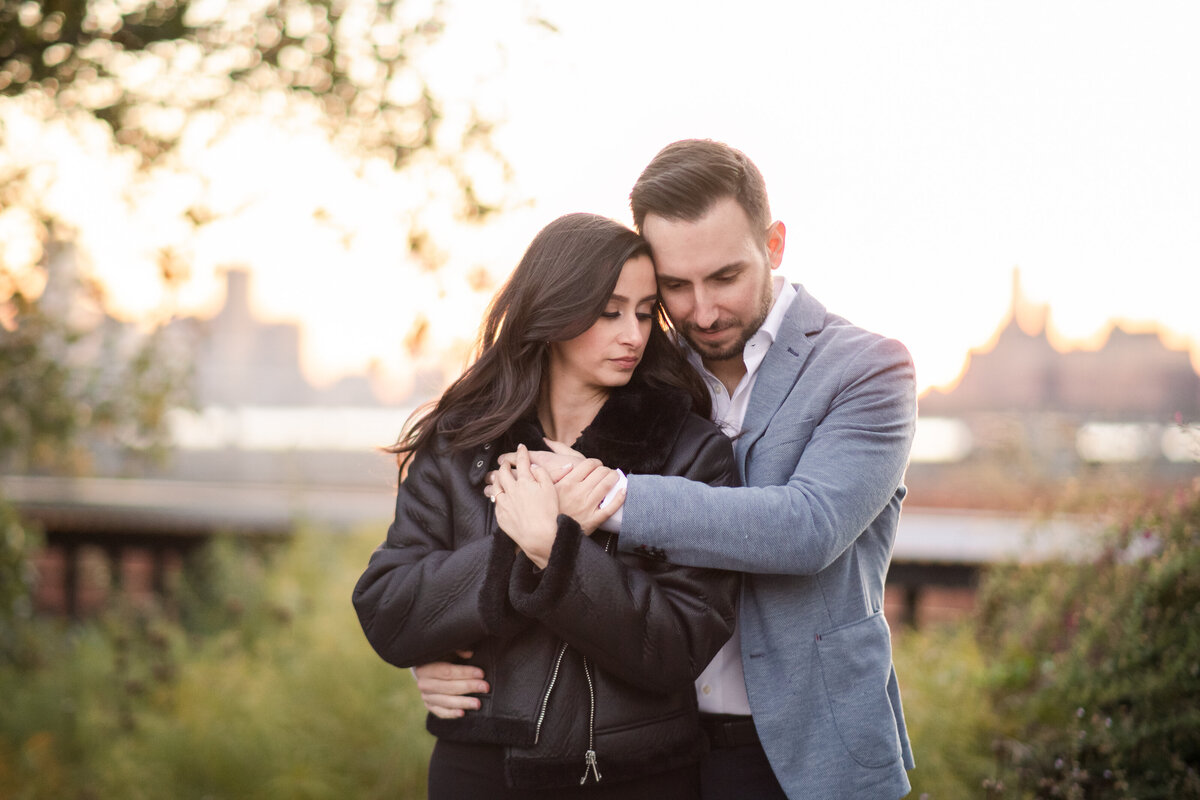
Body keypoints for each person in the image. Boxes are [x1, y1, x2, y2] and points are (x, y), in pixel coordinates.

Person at [416, 140, 918, 800]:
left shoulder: (868, 370)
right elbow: (548, 561)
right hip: (647, 754)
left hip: (805, 753)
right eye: (675, 287)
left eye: (725, 278)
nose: (702, 311)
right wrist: (455, 654)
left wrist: (611, 495)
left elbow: (808, 529)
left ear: (774, 244)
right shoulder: (634, 364)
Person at [352, 212, 741, 800]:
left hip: (633, 776)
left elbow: (678, 645)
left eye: (643, 312)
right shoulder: (463, 443)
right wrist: (524, 542)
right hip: (478, 771)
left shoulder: (688, 451)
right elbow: (388, 611)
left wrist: (550, 547)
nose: (633, 334)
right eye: (608, 312)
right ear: (555, 309)